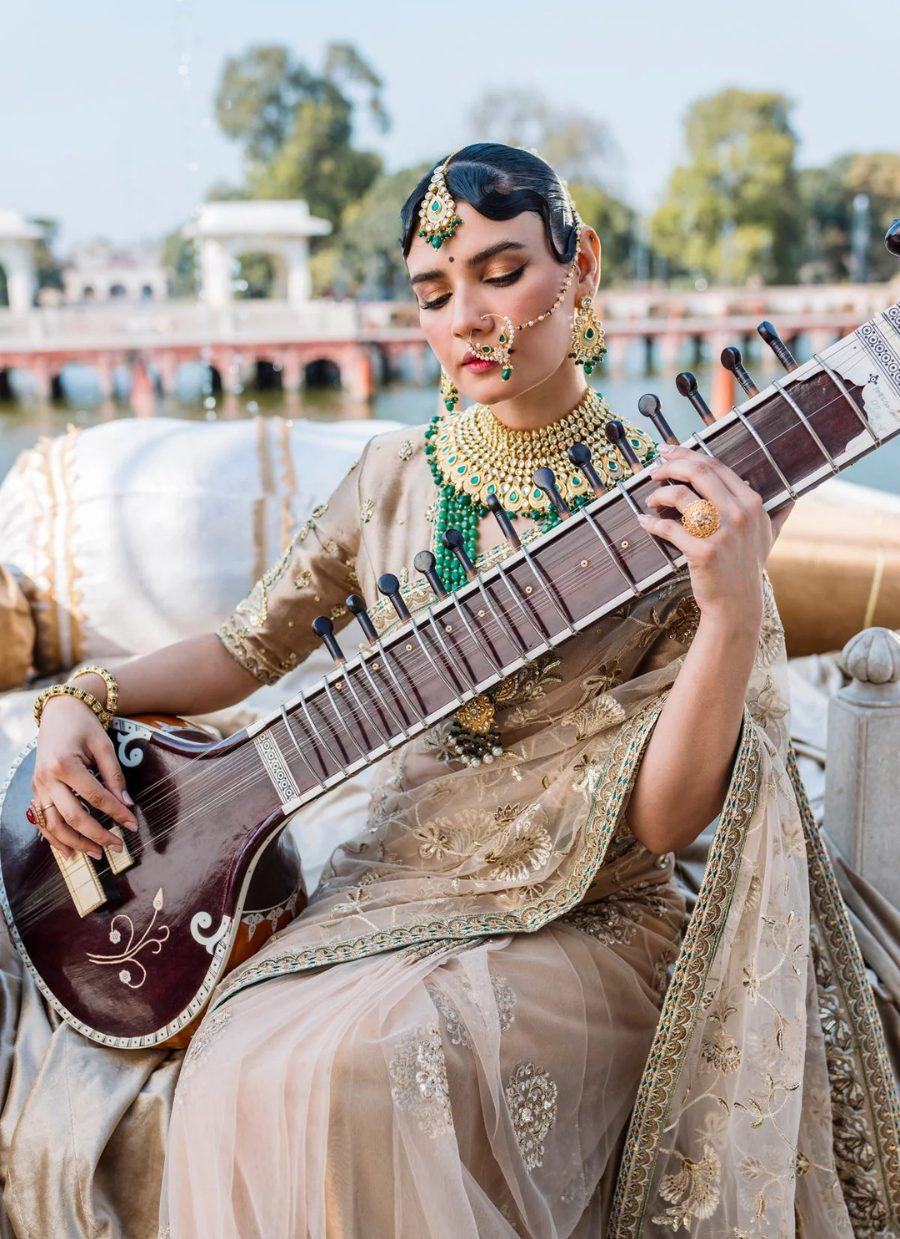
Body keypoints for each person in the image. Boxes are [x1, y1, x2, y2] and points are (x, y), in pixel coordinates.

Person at [18, 145, 900, 1238]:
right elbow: (242, 653)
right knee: (244, 1063)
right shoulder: (394, 479)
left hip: (584, 911)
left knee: (365, 1074)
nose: (469, 318)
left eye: (501, 271)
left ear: (578, 270)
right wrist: (81, 700)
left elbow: (672, 820)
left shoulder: (682, 497)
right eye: (435, 293)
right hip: (394, 883)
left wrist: (728, 606)